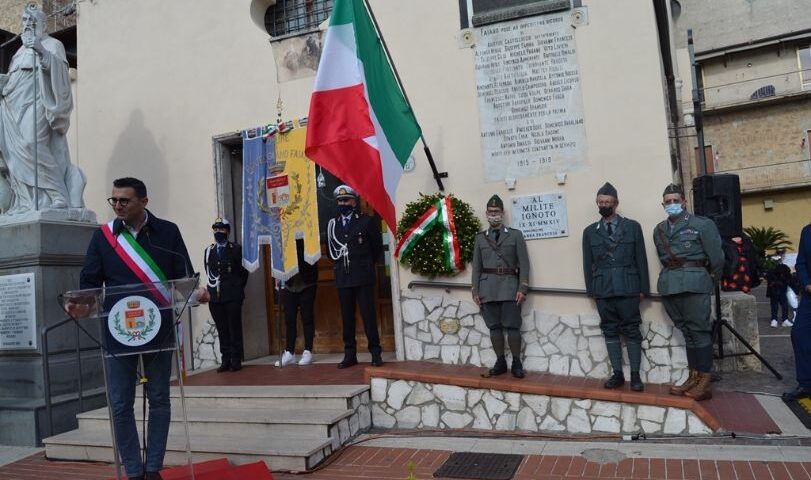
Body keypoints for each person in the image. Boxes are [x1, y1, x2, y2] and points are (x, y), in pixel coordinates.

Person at [76, 177, 208, 480]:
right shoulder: (103, 238)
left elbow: (184, 276)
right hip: (117, 331)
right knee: (121, 402)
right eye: (114, 201)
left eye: (125, 200)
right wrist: (81, 302)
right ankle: (133, 471)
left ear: (144, 202)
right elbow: (90, 283)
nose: (118, 206)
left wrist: (196, 293)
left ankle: (153, 469)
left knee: (159, 398)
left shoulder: (168, 232)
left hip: (159, 327)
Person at [0, 4, 85, 214]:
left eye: (33, 22)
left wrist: (41, 50)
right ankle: (26, 201)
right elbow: (16, 79)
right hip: (14, 106)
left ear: (43, 24)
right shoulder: (19, 52)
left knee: (31, 144)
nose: (28, 25)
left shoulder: (53, 44)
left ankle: (57, 194)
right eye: (25, 22)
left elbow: (60, 76)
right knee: (15, 154)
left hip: (39, 103)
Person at [653, 183, 723, 401]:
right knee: (687, 331)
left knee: (699, 331)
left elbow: (717, 258)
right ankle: (694, 376)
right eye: (668, 201)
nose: (672, 204)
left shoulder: (702, 225)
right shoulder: (659, 230)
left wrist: (709, 281)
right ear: (662, 204)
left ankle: (704, 380)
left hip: (695, 283)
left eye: (676, 200)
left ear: (684, 202)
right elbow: (664, 259)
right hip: (670, 285)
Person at [582, 182, 649, 391]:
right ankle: (618, 374)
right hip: (603, 288)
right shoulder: (590, 232)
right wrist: (591, 290)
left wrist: (643, 288)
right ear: (597, 203)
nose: (604, 205)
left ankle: (636, 375)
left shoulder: (632, 227)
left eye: (608, 202)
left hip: (628, 287)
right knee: (610, 330)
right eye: (601, 202)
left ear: (616, 203)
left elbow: (641, 259)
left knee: (631, 330)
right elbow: (587, 262)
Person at [471, 194, 530, 378]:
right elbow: (477, 266)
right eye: (490, 212)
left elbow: (524, 264)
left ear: (502, 213)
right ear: (486, 214)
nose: (493, 214)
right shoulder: (480, 238)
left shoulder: (515, 235)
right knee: (494, 327)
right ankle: (500, 361)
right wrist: (475, 289)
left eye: (496, 211)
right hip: (487, 288)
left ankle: (516, 362)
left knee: (513, 327)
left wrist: (523, 288)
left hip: (510, 287)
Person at [327, 185, 383, 368]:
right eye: (340, 201)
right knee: (347, 318)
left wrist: (365, 266)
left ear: (354, 201)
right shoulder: (332, 225)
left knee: (368, 316)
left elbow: (376, 250)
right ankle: (350, 354)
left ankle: (375, 352)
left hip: (363, 276)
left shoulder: (366, 221)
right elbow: (330, 252)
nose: (343, 203)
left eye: (346, 200)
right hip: (343, 277)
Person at [204, 217, 249, 372]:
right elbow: (208, 271)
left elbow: (243, 273)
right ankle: (225, 359)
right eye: (215, 229)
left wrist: (237, 288)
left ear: (228, 231)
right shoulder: (209, 250)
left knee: (234, 327)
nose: (218, 232)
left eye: (221, 229)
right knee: (222, 329)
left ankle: (236, 359)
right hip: (215, 297)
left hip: (233, 295)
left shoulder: (236, 249)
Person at [277, 238, 318, 366]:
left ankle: (308, 351)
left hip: (307, 282)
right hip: (289, 283)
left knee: (307, 318)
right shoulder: (284, 236)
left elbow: (312, 254)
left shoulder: (307, 232)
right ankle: (289, 352)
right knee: (289, 319)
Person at [783, 223, 811, 401]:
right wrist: (807, 283)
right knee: (799, 334)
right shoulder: (807, 231)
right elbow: (800, 262)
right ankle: (806, 383)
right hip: (810, 296)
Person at [766, 262, 794, 328]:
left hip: (781, 291)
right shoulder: (772, 273)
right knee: (775, 306)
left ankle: (784, 320)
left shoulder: (785, 274)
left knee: (784, 306)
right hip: (774, 291)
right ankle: (774, 320)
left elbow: (790, 281)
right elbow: (770, 283)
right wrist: (776, 283)